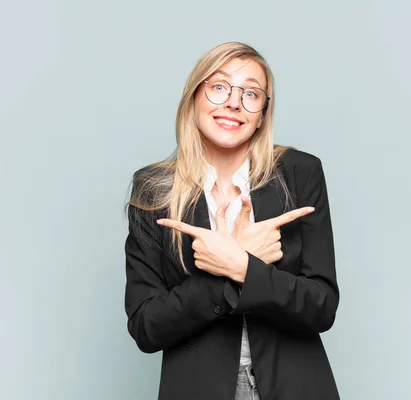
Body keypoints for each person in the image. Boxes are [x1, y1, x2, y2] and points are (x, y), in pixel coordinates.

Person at [124, 42, 340, 400]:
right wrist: (230, 268)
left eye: (251, 93)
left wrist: (242, 267)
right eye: (220, 86)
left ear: (262, 114)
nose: (234, 103)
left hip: (296, 385)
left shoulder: (300, 173)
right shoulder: (152, 189)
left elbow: (322, 306)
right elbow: (146, 327)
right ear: (195, 96)